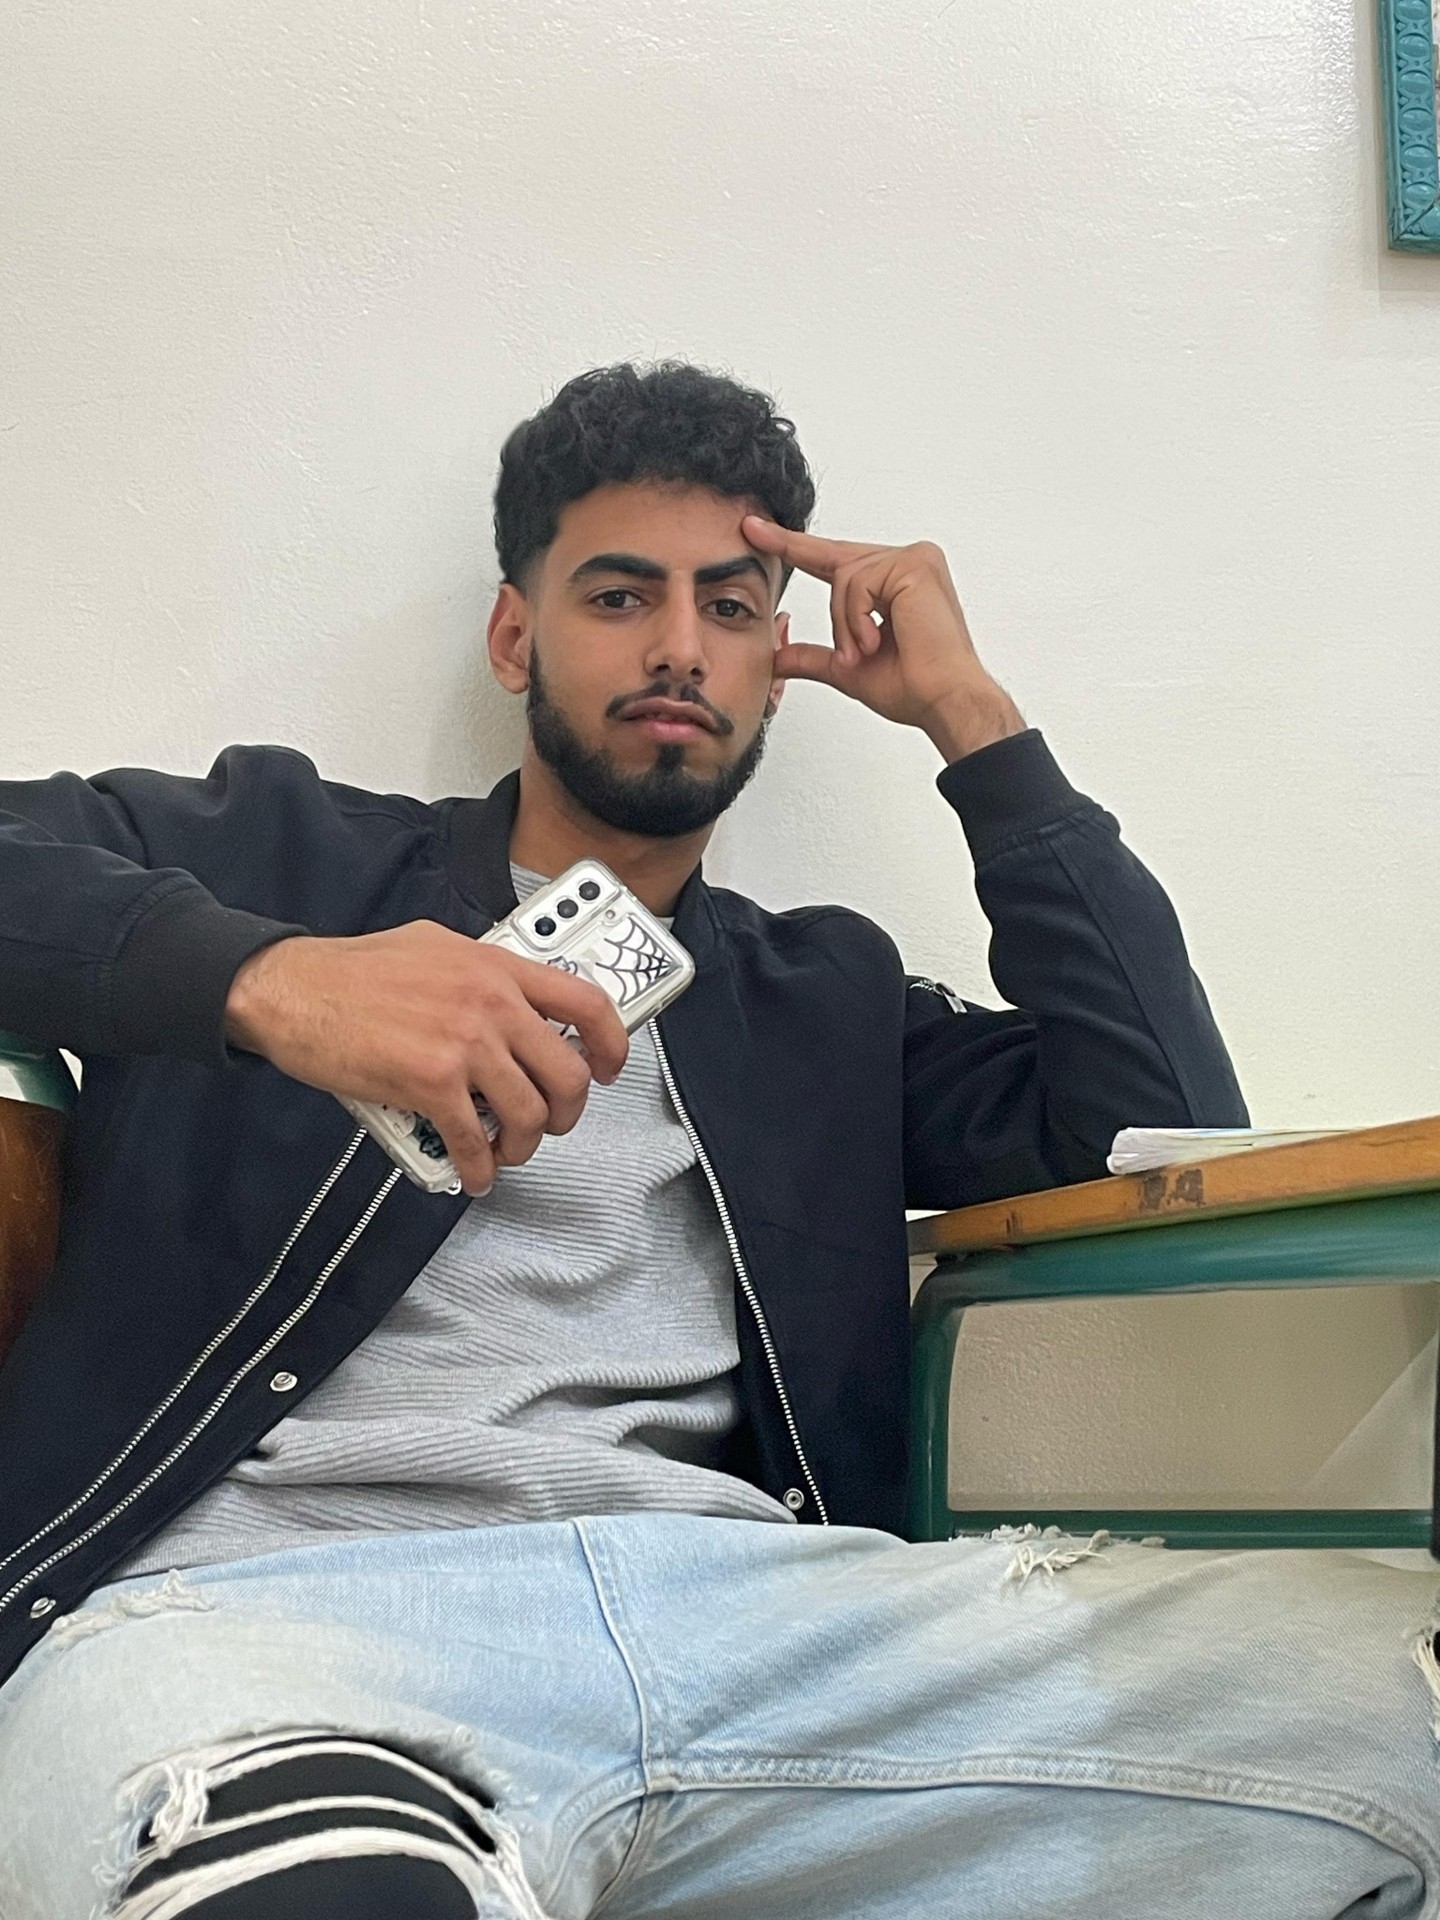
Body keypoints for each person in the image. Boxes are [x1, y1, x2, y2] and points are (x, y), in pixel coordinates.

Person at [0, 363, 1432, 1920]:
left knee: (1387, 1700)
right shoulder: (276, 854)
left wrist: (974, 720)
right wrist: (275, 982)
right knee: (316, 1891)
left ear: (776, 665)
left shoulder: (827, 999)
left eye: (732, 607)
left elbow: (1155, 1125)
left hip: (757, 1634)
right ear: (515, 636)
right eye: (621, 594)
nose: (680, 645)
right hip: (275, 1624)